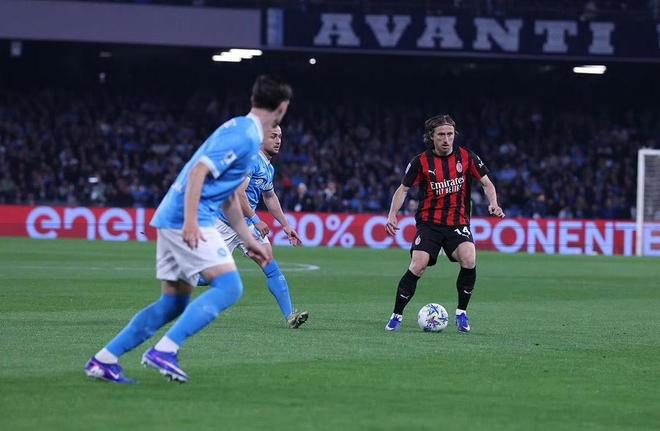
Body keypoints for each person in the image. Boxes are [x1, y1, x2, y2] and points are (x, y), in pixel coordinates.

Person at [84, 75, 292, 383]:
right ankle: (165, 351)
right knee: (230, 288)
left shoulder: (241, 130)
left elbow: (229, 195)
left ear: (254, 100)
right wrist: (192, 221)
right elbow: (198, 171)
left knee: (173, 303)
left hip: (173, 217)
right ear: (282, 108)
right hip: (189, 218)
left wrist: (248, 238)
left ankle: (104, 360)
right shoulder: (246, 136)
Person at [384, 114, 504, 333]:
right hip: (429, 224)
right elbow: (403, 189)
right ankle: (396, 315)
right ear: (432, 136)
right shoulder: (420, 161)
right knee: (418, 265)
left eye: (450, 134)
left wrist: (494, 203)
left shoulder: (466, 156)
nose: (446, 139)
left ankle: (462, 314)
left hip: (458, 222)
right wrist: (392, 214)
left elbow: (487, 183)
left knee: (469, 258)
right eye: (441, 135)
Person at [210, 125, 309, 328]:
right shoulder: (251, 160)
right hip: (225, 224)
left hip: (246, 225)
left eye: (280, 136)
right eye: (273, 136)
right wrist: (256, 220)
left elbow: (269, 197)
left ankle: (290, 316)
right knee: (210, 276)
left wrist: (286, 225)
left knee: (270, 266)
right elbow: (238, 192)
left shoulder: (268, 167)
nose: (278, 140)